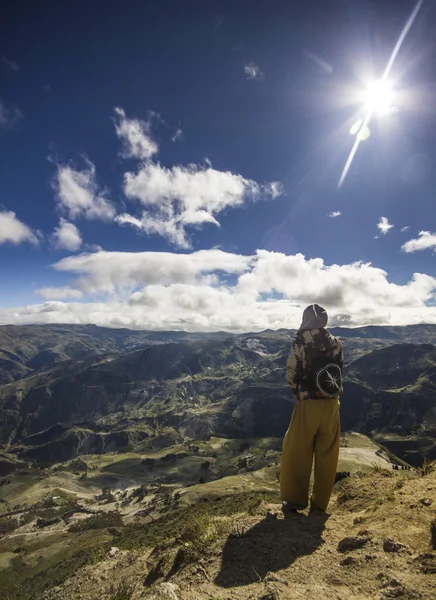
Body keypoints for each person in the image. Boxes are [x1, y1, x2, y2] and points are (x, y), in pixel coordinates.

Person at [280, 304, 344, 513]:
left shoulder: (300, 342)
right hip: (332, 403)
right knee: (327, 451)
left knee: (297, 450)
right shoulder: (337, 343)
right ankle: (320, 504)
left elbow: (292, 371)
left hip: (308, 403)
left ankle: (296, 501)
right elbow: (339, 371)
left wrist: (297, 391)